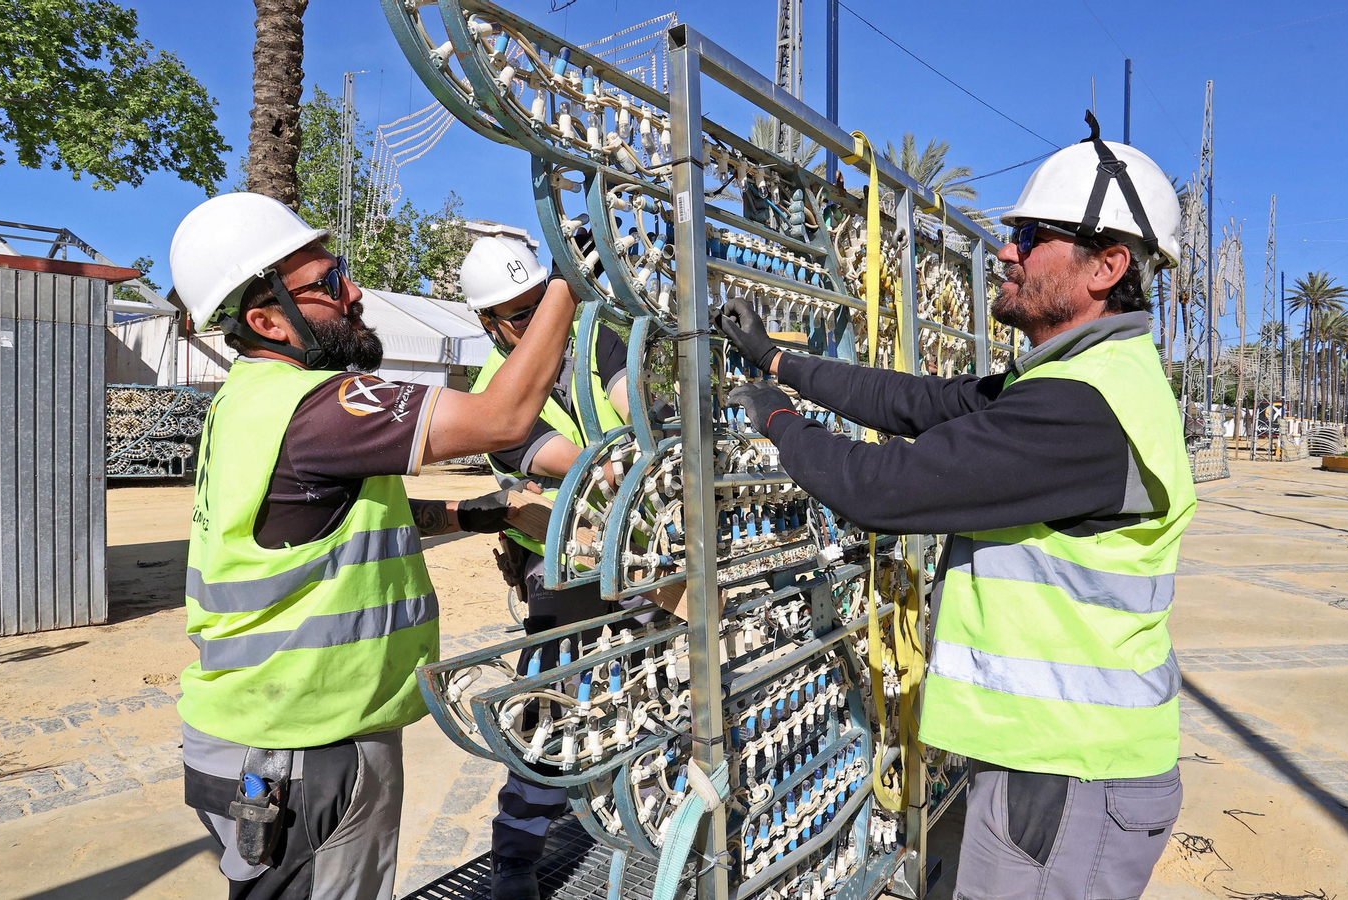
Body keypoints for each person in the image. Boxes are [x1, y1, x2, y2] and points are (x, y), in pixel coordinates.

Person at [721, 115, 1194, 900]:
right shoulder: (1077, 382)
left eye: (1032, 236)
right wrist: (778, 360)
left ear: (1107, 265)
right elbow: (916, 401)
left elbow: (884, 488)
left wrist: (775, 419)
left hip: (1068, 775)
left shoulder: (1085, 410)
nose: (1005, 251)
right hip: (1059, 766)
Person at [168, 192, 576, 900]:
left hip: (253, 733)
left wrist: (480, 513)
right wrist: (568, 284)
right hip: (305, 747)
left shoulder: (248, 402)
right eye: (327, 285)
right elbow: (503, 415)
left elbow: (333, 516)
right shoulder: (321, 405)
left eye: (342, 270)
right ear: (266, 320)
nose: (353, 292)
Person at [458, 236, 631, 900]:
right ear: (489, 325)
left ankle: (645, 812)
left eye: (540, 303)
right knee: (550, 701)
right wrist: (634, 460)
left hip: (647, 551)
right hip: (568, 567)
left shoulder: (593, 339)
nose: (537, 320)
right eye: (518, 315)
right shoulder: (489, 399)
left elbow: (631, 397)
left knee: (656, 684)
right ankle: (518, 854)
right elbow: (570, 459)